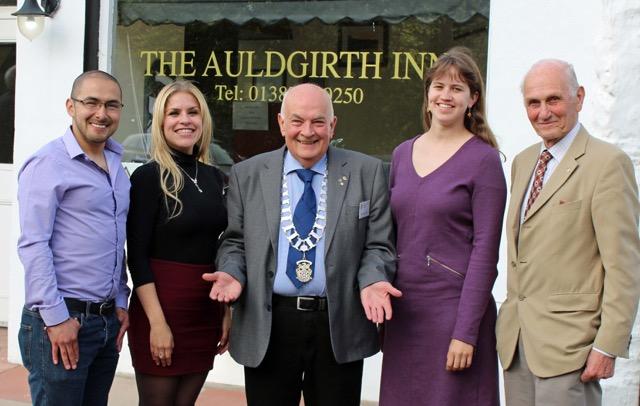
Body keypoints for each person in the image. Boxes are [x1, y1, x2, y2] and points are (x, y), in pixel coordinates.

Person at [203, 83, 400, 406]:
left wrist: (373, 279)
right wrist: (232, 273)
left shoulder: (368, 172)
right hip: (269, 323)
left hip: (338, 324)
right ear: (281, 123)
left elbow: (379, 245)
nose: (307, 132)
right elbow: (234, 242)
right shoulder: (247, 174)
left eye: (318, 122)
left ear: (333, 126)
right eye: (297, 121)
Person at [496, 59, 640, 406]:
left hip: (571, 347)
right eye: (534, 103)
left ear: (579, 97)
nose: (543, 112)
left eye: (553, 100)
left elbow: (624, 265)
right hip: (517, 343)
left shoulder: (607, 164)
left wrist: (608, 345)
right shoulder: (523, 161)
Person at [379, 47, 506, 405]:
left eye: (457, 88)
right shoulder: (403, 153)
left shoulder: (484, 160)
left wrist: (466, 333)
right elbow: (387, 238)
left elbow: (485, 253)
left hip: (453, 315)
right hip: (405, 316)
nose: (445, 96)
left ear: (473, 99)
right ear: (428, 93)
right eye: (438, 86)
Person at [17, 70, 130, 406]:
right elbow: (33, 244)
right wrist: (56, 319)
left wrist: (121, 300)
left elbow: (114, 238)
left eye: (111, 105)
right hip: (63, 321)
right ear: (71, 106)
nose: (101, 113)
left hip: (105, 323)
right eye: (91, 102)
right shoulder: (48, 164)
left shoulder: (116, 165)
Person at [126, 80, 230, 406]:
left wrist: (226, 311)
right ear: (160, 122)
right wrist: (157, 324)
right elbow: (137, 257)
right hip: (162, 309)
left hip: (205, 311)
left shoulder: (214, 177)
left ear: (203, 119)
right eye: (174, 113)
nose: (184, 119)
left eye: (192, 112)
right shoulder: (147, 177)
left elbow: (220, 247)